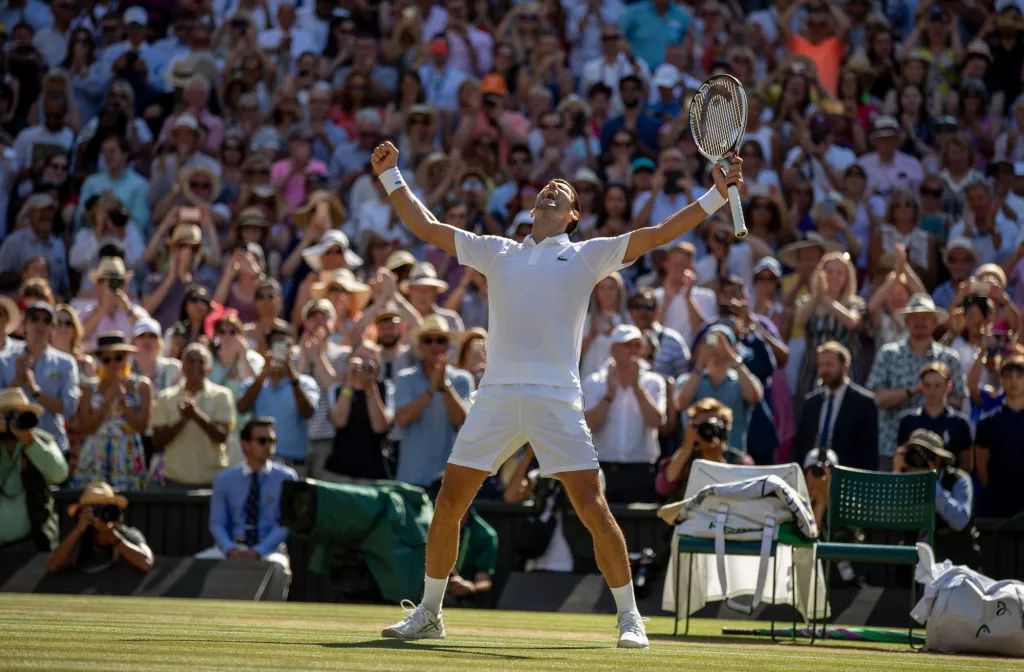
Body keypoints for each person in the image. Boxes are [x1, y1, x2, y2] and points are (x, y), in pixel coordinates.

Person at [370, 138, 742, 647]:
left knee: (592, 506)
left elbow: (658, 235)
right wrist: (393, 176)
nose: (550, 189)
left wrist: (717, 197)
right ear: (533, 206)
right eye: (546, 186)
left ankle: (630, 617)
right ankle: (430, 612)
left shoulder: (588, 256)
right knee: (450, 501)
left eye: (561, 191)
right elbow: (426, 226)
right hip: (496, 396)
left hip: (556, 400)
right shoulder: (496, 250)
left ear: (572, 215)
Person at [197, 417, 297, 599]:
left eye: (272, 441)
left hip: (269, 551)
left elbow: (286, 523)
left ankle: (270, 622)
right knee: (199, 564)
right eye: (262, 441)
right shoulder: (224, 479)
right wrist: (230, 549)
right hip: (230, 549)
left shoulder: (287, 477)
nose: (269, 446)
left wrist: (259, 550)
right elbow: (217, 523)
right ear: (245, 445)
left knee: (278, 568)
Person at [866, 293, 966, 470]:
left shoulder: (949, 358)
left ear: (935, 322)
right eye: (915, 317)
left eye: (926, 317)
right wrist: (913, 391)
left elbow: (959, 400)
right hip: (892, 448)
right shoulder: (888, 354)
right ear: (906, 322)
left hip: (939, 453)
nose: (920, 322)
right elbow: (877, 399)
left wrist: (933, 397)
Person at [582, 325, 665, 503]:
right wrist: (609, 395)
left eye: (637, 346)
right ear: (613, 349)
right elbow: (588, 427)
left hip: (640, 471)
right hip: (602, 469)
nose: (633, 350)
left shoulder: (653, 382)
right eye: (628, 345)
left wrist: (637, 388)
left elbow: (656, 421)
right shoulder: (594, 382)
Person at [392, 315, 473, 488]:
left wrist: (444, 387)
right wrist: (430, 390)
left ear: (448, 345)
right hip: (411, 477)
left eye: (440, 340)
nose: (435, 345)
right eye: (428, 340)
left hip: (448, 481)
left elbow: (461, 420)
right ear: (419, 346)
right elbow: (402, 419)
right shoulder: (405, 378)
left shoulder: (462, 379)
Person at [151, 343, 235, 490]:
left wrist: (196, 415)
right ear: (182, 366)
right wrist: (183, 421)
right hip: (175, 481)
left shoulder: (223, 395)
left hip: (212, 481)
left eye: (201, 362)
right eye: (190, 361)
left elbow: (222, 436)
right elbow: (158, 441)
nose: (195, 365)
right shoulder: (166, 397)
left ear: (209, 368)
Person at [236, 327, 319, 476]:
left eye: (286, 346)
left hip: (294, 465)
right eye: (276, 346)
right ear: (267, 349)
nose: (280, 351)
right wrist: (262, 376)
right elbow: (242, 408)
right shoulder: (252, 384)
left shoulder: (305, 383)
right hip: (259, 464)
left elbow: (308, 412)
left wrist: (293, 379)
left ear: (291, 351)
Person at [73, 332, 151, 492]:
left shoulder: (142, 385)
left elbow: (143, 427)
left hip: (128, 454)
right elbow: (85, 427)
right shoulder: (89, 388)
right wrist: (106, 403)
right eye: (106, 359)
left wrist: (123, 403)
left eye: (118, 357)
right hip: (96, 457)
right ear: (99, 361)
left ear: (126, 357)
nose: (113, 363)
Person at [0, 302, 79, 456]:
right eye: (35, 319)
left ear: (53, 328)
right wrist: (17, 381)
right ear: (24, 325)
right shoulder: (4, 360)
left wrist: (35, 390)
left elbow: (69, 408)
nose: (40, 325)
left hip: (52, 447)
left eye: (46, 320)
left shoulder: (66, 363)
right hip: (11, 448)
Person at [893, 428, 980, 569]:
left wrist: (932, 483)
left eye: (923, 454)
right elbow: (888, 517)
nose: (918, 459)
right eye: (914, 452)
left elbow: (960, 521)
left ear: (938, 459)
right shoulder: (905, 480)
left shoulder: (959, 480)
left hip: (955, 563)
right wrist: (897, 473)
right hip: (916, 564)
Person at [674, 324, 764, 455]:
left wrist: (732, 356)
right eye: (710, 340)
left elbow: (754, 397)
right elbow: (681, 403)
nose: (715, 346)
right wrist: (700, 364)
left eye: (722, 341)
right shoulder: (687, 380)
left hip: (732, 456)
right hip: (696, 456)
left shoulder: (743, 380)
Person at [0, 387, 68, 551]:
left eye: (17, 416)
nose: (12, 422)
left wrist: (30, 441)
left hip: (34, 544)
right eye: (7, 416)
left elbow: (59, 475)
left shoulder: (41, 440)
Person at [793, 341, 878, 471]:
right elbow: (800, 445)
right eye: (821, 365)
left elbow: (869, 452)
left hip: (846, 476)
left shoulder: (864, 403)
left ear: (844, 367)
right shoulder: (811, 403)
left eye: (829, 365)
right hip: (812, 475)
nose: (824, 370)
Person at [47, 481, 154, 574]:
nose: (101, 514)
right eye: (94, 509)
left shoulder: (128, 535)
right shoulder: (78, 539)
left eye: (106, 508)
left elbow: (146, 563)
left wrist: (113, 537)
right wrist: (78, 529)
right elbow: (52, 566)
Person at [325, 339, 393, 482]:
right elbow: (339, 421)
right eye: (358, 358)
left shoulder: (386, 388)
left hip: (373, 471)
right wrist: (349, 382)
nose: (362, 363)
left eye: (367, 358)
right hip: (340, 470)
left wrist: (370, 386)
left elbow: (380, 427)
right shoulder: (337, 389)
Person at [654, 398, 738, 500]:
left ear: (726, 428)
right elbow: (663, 486)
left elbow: (740, 490)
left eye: (713, 425)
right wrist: (686, 448)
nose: (708, 431)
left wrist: (717, 458)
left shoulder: (739, 461)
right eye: (703, 426)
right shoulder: (684, 460)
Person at [897, 362, 973, 471]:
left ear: (948, 386)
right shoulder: (908, 421)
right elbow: (901, 458)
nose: (932, 391)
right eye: (927, 385)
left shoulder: (960, 423)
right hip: (916, 483)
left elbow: (966, 465)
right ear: (921, 386)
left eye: (938, 386)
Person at [974, 355, 1024, 518]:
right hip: (998, 504)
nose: (1014, 382)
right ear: (1001, 380)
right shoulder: (987, 422)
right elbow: (981, 466)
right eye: (1009, 377)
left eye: (1020, 376)